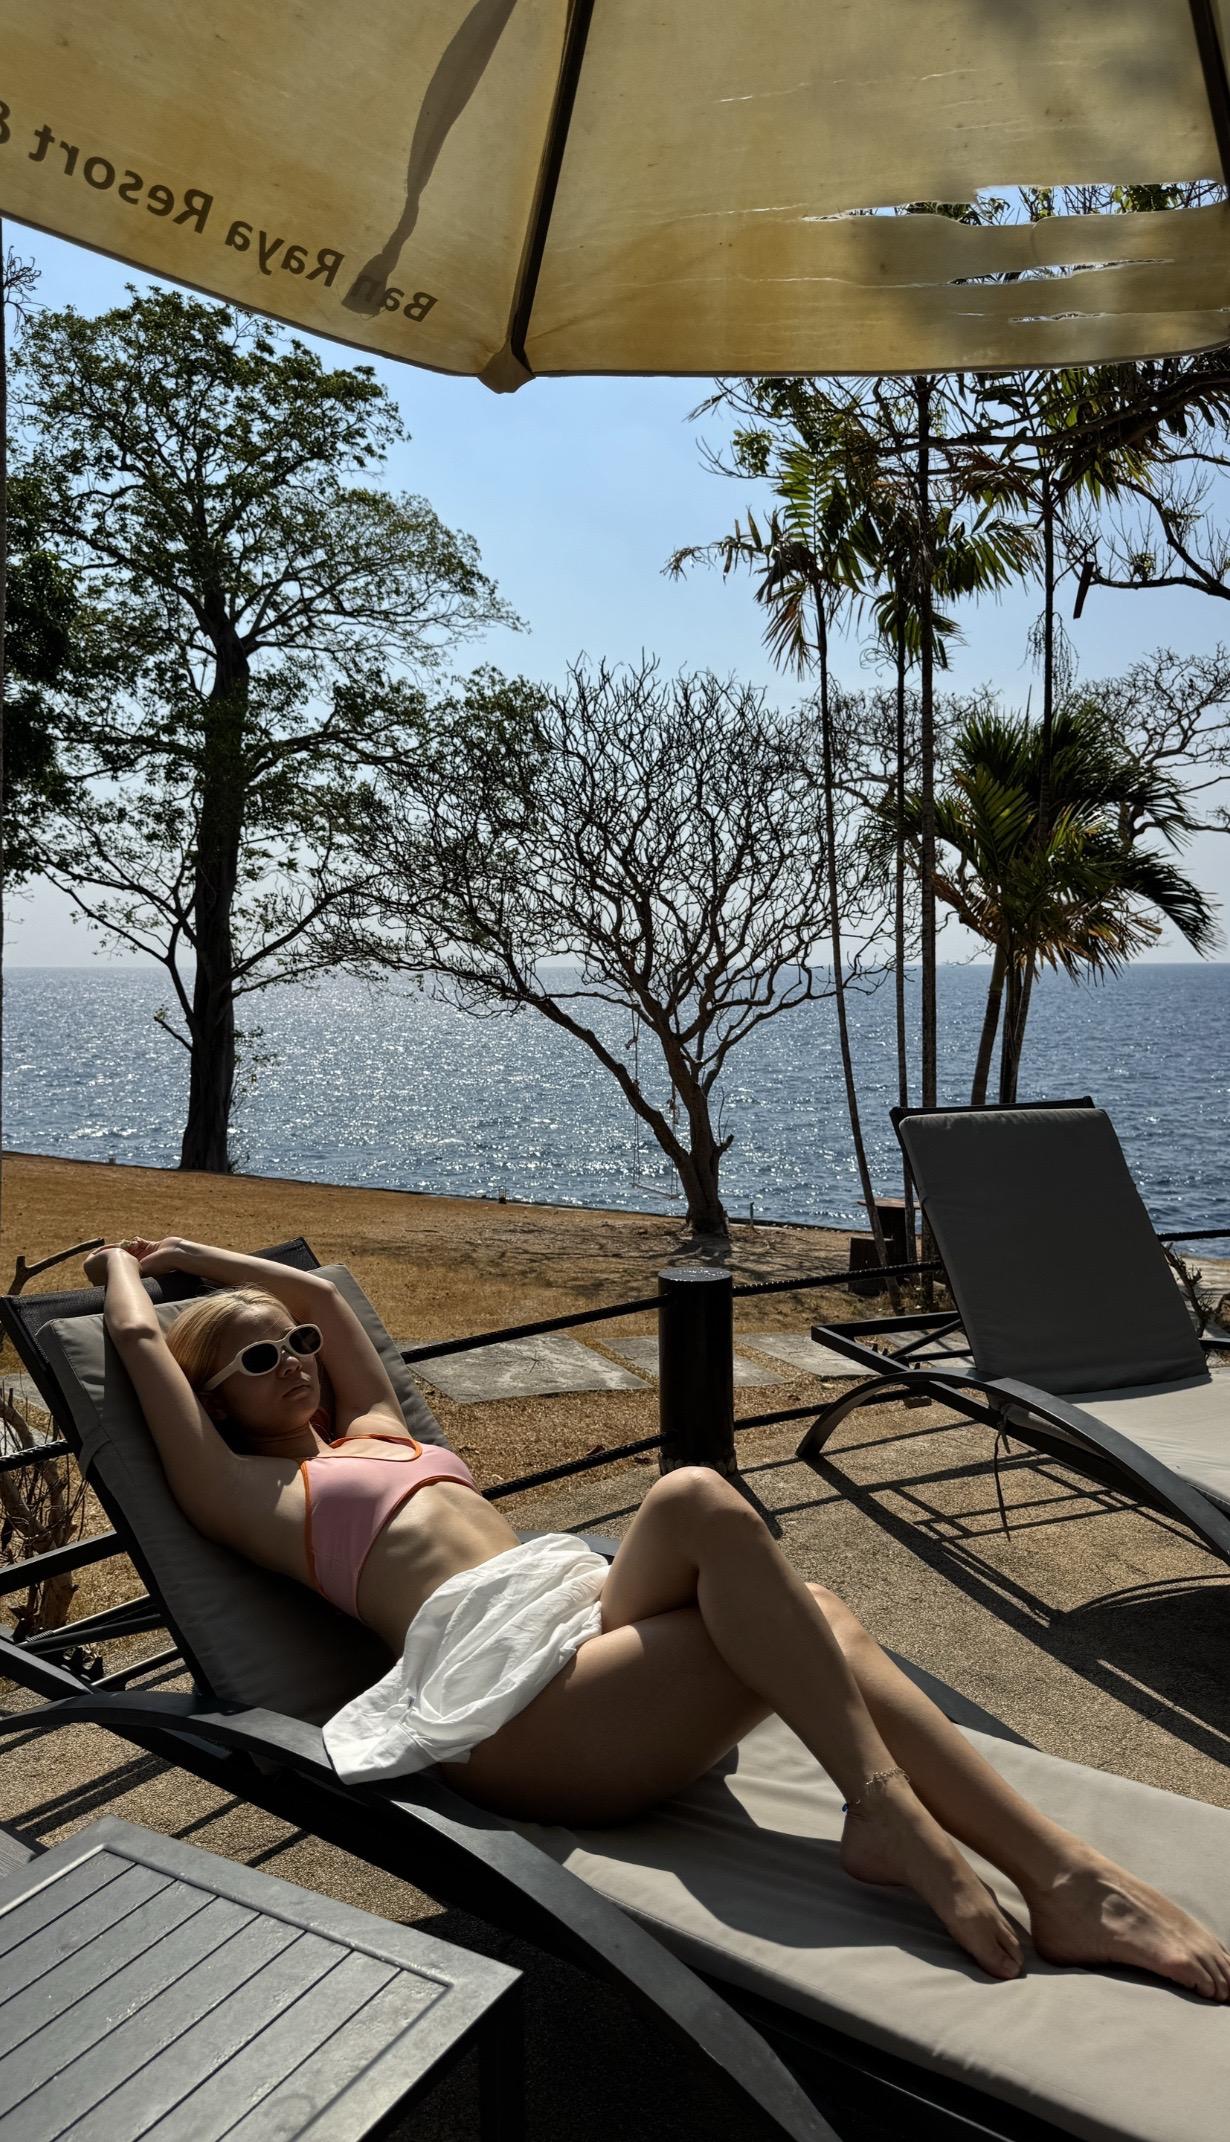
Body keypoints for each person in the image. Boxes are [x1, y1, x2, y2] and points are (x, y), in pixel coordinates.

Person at [88, 1233, 1230, 2000]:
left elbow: (327, 1301)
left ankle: (1040, 1867)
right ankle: (1006, 1857)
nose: (295, 1360)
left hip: (569, 1625)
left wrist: (200, 1252)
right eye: (258, 1358)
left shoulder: (376, 1428)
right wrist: (122, 1270)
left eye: (294, 1347)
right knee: (735, 1535)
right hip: (509, 1713)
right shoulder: (250, 1495)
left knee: (752, 1549)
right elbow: (139, 1344)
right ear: (215, 1397)